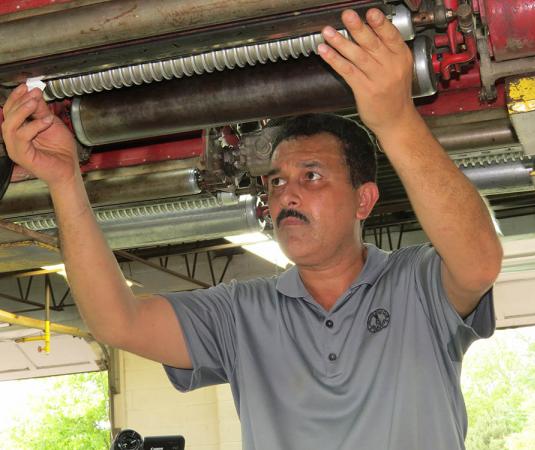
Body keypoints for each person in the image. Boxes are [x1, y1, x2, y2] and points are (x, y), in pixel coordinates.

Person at [1, 8, 503, 450]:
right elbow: (117, 324)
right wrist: (65, 181)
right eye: (277, 181)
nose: (285, 194)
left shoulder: (416, 285)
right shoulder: (240, 315)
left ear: (363, 200)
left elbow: (479, 259)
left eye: (311, 176)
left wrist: (394, 120)